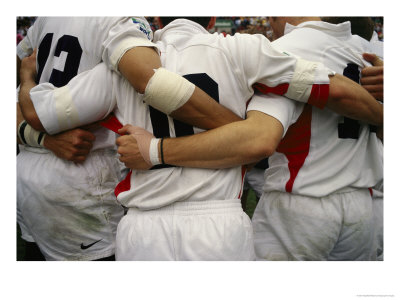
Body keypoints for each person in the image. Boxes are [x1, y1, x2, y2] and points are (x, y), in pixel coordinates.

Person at [17, 16, 364, 260]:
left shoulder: (118, 68)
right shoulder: (243, 49)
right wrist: (381, 111)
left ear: (157, 19)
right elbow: (330, 87)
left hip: (143, 225)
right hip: (219, 221)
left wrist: (28, 77)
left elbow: (41, 113)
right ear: (212, 19)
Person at [117, 17, 383, 261]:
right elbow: (340, 95)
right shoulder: (375, 53)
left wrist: (154, 150)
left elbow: (259, 139)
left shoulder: (288, 45)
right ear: (211, 19)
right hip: (365, 202)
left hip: (303, 200)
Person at [16, 16, 240, 261]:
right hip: (82, 178)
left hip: (29, 174)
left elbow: (21, 75)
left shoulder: (47, 16)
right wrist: (237, 132)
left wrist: (39, 136)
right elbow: (151, 80)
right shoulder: (121, 18)